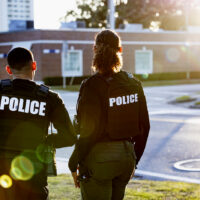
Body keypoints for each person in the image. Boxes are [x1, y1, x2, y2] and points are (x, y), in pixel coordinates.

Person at [68, 29, 150, 200]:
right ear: (120, 50)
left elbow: (89, 131)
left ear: (95, 49)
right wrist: (135, 159)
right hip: (126, 157)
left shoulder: (90, 86)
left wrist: (73, 162)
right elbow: (145, 126)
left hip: (100, 159)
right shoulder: (133, 83)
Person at [0, 47, 77, 200]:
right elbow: (69, 137)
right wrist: (45, 141)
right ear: (34, 66)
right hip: (34, 181)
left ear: (8, 69)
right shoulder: (50, 98)